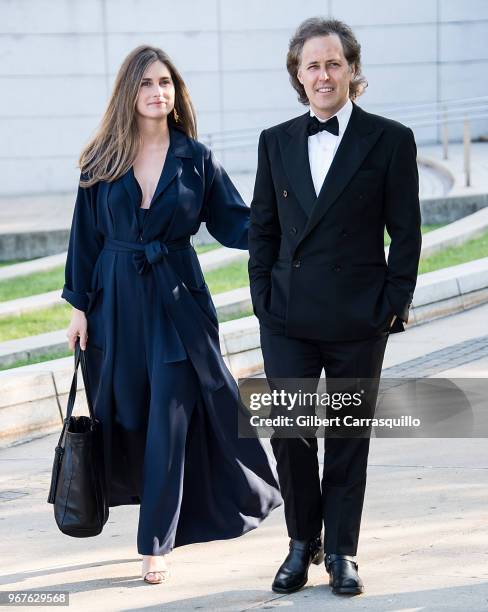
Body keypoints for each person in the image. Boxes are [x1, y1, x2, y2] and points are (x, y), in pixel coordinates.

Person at [62, 45, 281, 585]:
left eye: (166, 82)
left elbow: (236, 224)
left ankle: (155, 543)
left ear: (177, 92)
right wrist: (77, 308)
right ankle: (147, 514)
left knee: (170, 419)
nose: (158, 91)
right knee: (128, 414)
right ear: (128, 93)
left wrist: (291, 219)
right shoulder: (100, 159)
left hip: (179, 300)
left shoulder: (196, 159)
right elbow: (84, 239)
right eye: (147, 83)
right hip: (114, 304)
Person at [248, 18, 421, 596]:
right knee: (292, 433)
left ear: (352, 69)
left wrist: (393, 304)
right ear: (298, 75)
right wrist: (263, 303)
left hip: (358, 315)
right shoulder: (274, 141)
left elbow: (408, 232)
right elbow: (263, 232)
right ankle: (302, 543)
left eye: (333, 63)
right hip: (288, 314)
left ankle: (342, 550)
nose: (323, 74)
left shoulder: (391, 139)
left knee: (348, 434)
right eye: (312, 65)